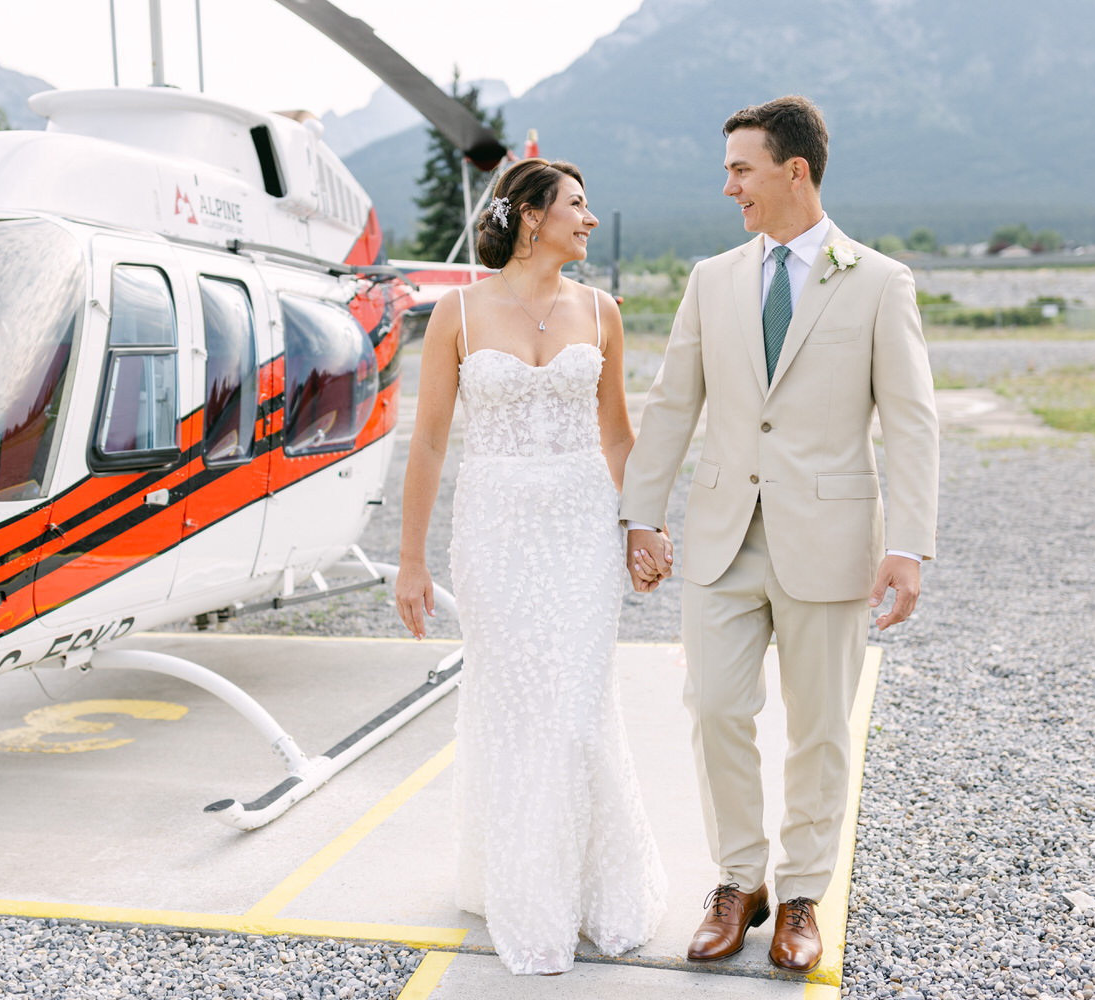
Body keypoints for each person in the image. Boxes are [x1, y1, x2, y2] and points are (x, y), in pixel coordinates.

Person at [621, 96, 939, 973]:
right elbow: (674, 403)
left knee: (820, 728)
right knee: (715, 708)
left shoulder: (878, 281)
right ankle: (739, 881)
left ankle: (801, 896)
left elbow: (912, 424)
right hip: (723, 536)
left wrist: (908, 543)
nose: (728, 186)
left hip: (831, 539)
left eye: (741, 169)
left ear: (795, 170)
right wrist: (640, 514)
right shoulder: (710, 278)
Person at [396, 158, 667, 975]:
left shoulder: (603, 311)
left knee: (578, 707)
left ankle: (596, 886)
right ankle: (527, 893)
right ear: (529, 217)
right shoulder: (459, 314)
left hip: (583, 527)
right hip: (497, 531)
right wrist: (410, 560)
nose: (588, 219)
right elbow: (431, 441)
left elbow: (618, 435)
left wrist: (643, 524)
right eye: (577, 206)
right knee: (518, 708)